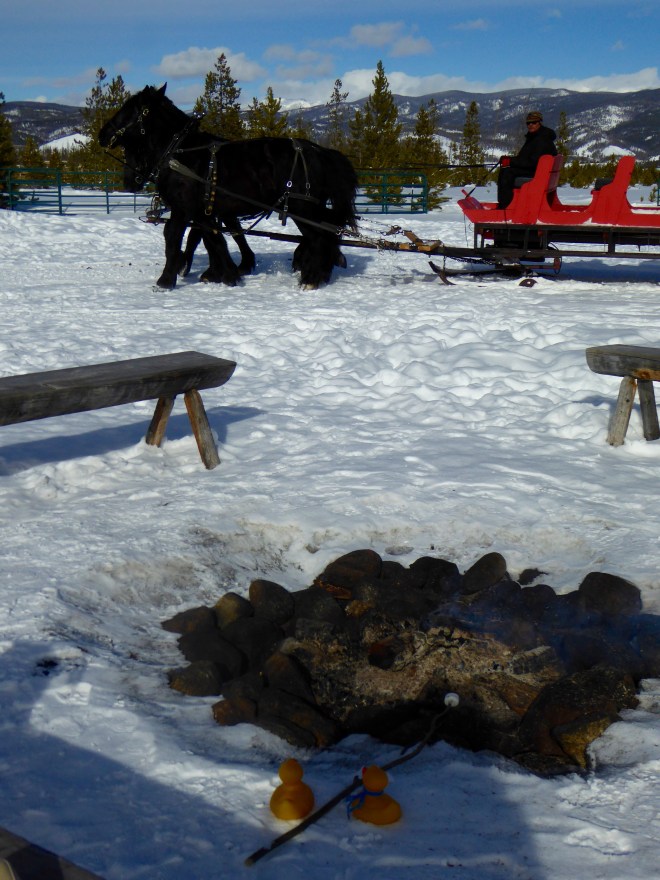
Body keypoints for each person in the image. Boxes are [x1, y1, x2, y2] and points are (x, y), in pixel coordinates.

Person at [497, 110, 557, 209]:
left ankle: (505, 206)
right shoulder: (536, 137)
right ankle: (506, 203)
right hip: (540, 172)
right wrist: (510, 159)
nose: (530, 125)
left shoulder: (541, 140)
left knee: (507, 172)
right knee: (506, 169)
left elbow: (532, 162)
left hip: (537, 174)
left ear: (539, 123)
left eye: (534, 122)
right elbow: (525, 158)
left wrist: (510, 161)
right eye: (528, 123)